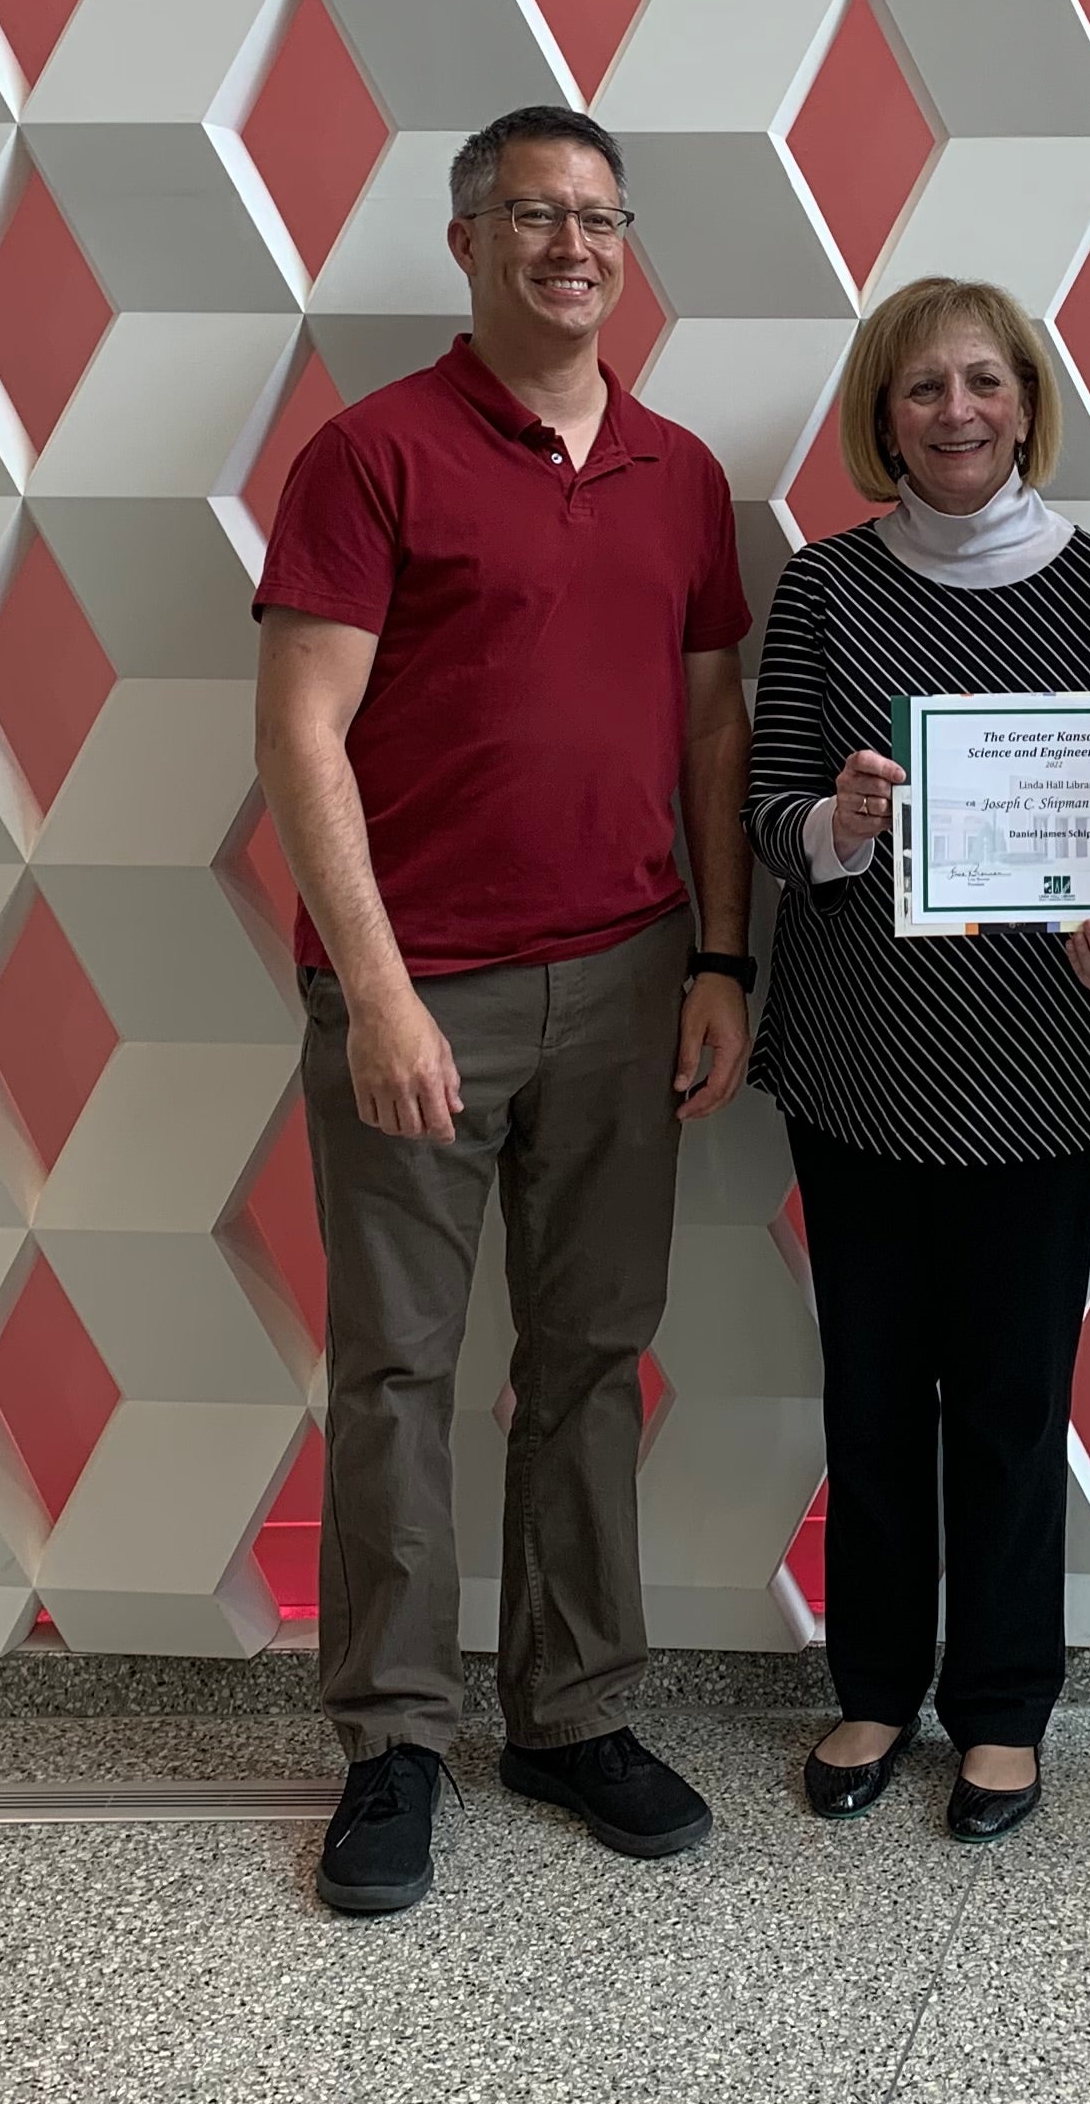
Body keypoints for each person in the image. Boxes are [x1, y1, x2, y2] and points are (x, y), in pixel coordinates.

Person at [250, 101, 759, 1918]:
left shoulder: (682, 474)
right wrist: (380, 996)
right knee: (393, 1371)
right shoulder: (371, 454)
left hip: (631, 982)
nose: (573, 247)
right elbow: (300, 730)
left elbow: (712, 726)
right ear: (465, 243)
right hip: (420, 993)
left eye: (601, 219)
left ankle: (570, 1713)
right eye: (535, 215)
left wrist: (718, 956)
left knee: (590, 1365)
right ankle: (393, 1740)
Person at [746, 279, 1090, 1843]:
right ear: (883, 414)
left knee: (1010, 1395)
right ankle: (872, 1686)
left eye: (983, 381)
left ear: (1025, 400)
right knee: (870, 1394)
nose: (956, 411)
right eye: (921, 388)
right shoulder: (826, 589)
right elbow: (766, 813)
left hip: (1044, 1058)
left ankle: (1003, 1708)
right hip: (865, 1059)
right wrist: (841, 826)